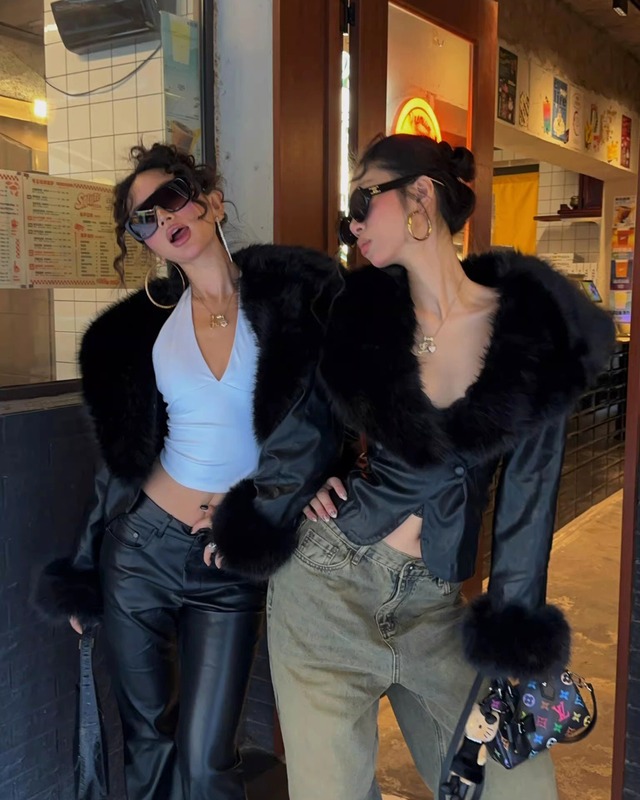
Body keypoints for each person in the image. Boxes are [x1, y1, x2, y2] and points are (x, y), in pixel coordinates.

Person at [205, 134, 615, 799]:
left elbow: (529, 504)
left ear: (420, 194)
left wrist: (513, 640)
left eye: (362, 201)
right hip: (325, 589)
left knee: (522, 789)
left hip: (434, 604)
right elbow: (305, 429)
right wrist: (269, 509)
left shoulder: (537, 333)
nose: (352, 224)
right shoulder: (354, 314)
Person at [36, 142, 343, 800]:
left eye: (170, 198)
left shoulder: (297, 302)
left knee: (207, 763)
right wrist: (86, 567)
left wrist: (312, 482)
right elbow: (117, 465)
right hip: (139, 552)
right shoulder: (139, 331)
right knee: (149, 747)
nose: (162, 220)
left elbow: (325, 418)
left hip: (227, 559)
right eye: (142, 219)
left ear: (212, 201)